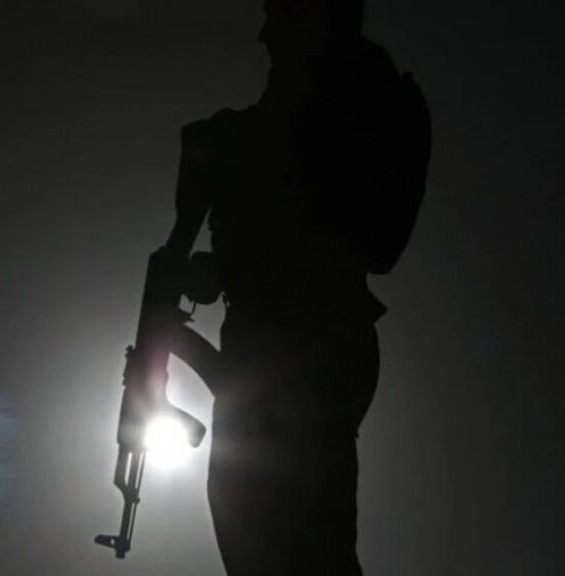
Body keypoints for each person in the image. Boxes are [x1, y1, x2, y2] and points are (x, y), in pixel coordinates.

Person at [160, 1, 431, 572]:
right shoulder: (344, 96)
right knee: (289, 537)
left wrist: (200, 288)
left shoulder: (339, 98)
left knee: (279, 538)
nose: (264, 35)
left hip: (302, 348)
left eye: (277, 18)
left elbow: (304, 220)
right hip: (308, 347)